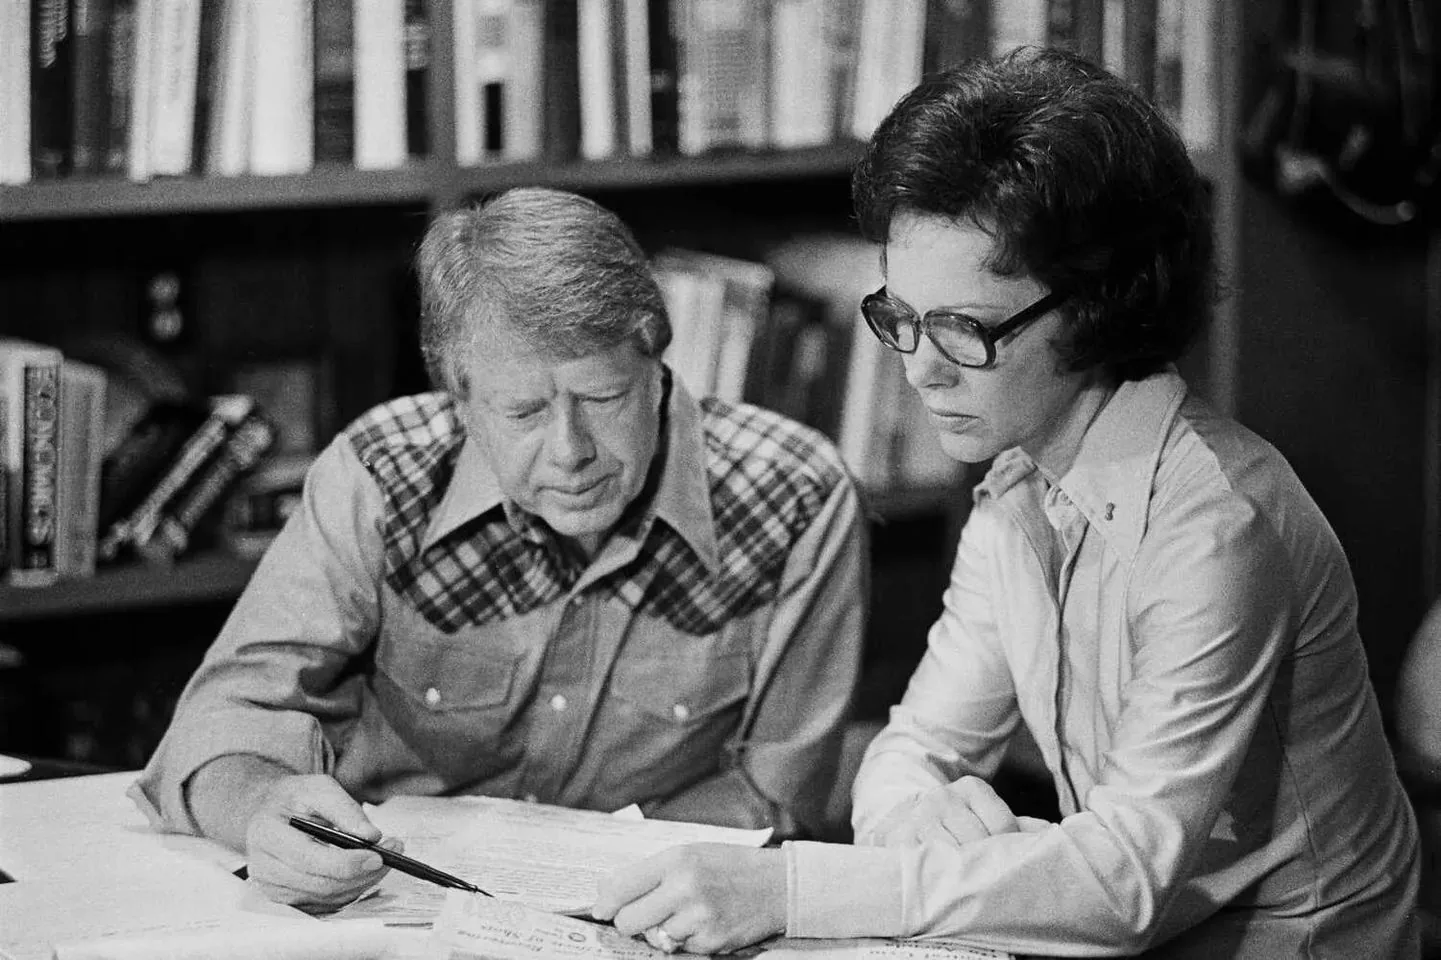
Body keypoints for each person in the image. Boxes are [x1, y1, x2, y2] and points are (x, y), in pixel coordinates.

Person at [592, 48, 1420, 957]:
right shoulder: (1016, 483)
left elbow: (1121, 883)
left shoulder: (1217, 529)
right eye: (898, 317)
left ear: (1102, 304)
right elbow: (912, 748)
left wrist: (793, 886)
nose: (918, 367)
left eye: (964, 329)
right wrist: (925, 818)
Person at [129, 187, 866, 911]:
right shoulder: (383, 474)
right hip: (392, 913)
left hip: (642, 917)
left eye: (603, 398)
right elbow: (220, 722)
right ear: (459, 397)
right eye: (523, 411)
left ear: (657, 366)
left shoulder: (794, 496)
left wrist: (576, 882)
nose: (569, 451)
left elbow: (777, 795)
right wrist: (265, 809)